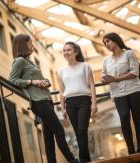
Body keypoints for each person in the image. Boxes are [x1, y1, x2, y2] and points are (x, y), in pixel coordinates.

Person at [8, 34, 78, 163]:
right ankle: (72, 160)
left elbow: (39, 79)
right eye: (30, 43)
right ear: (24, 44)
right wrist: (32, 82)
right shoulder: (19, 61)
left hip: (46, 99)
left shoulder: (30, 61)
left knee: (48, 135)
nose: (32, 45)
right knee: (59, 129)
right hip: (38, 102)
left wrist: (45, 81)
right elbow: (12, 80)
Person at [100, 32, 140, 154]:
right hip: (118, 93)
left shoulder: (129, 53)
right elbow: (103, 74)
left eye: (108, 41)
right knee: (124, 117)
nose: (106, 44)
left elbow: (134, 72)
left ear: (116, 40)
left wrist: (115, 79)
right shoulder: (106, 60)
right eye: (104, 43)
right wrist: (103, 78)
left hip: (134, 90)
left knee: (137, 119)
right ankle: (130, 148)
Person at [57, 42, 98, 163]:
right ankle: (86, 159)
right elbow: (61, 91)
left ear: (76, 52)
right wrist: (62, 108)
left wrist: (94, 103)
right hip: (70, 103)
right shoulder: (61, 71)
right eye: (64, 50)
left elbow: (91, 85)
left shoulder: (85, 66)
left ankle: (83, 158)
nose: (66, 52)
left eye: (68, 50)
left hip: (84, 100)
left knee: (82, 130)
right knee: (77, 132)